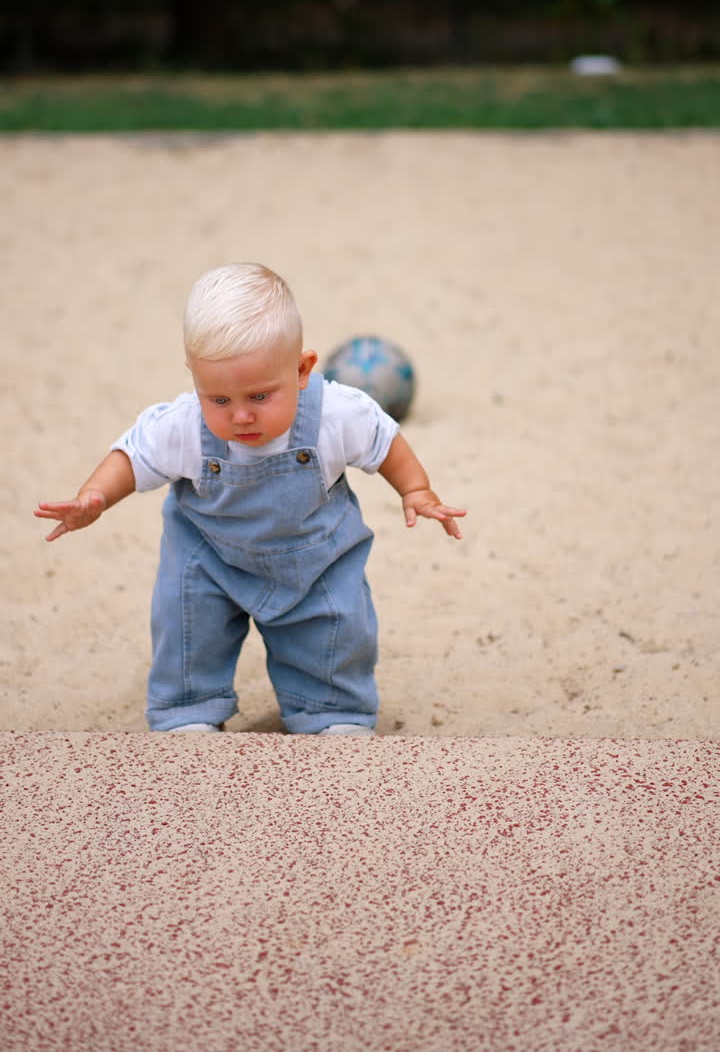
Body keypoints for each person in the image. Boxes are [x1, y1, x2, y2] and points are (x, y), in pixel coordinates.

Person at [35, 263, 466, 736]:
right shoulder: (183, 426)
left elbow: (384, 442)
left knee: (334, 628)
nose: (240, 415)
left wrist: (416, 490)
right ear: (194, 379)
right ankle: (190, 710)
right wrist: (94, 496)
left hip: (315, 557)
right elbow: (133, 454)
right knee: (186, 629)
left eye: (260, 396)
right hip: (210, 558)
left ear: (302, 370)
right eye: (218, 399)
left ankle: (330, 711)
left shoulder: (337, 414)